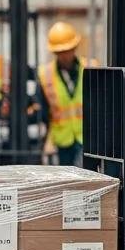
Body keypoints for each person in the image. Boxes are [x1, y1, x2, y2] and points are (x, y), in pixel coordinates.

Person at [37, 21, 89, 166]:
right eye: (60, 52)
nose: (65, 55)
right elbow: (43, 111)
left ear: (75, 47)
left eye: (68, 50)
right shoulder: (45, 75)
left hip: (86, 136)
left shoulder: (90, 68)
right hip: (61, 140)